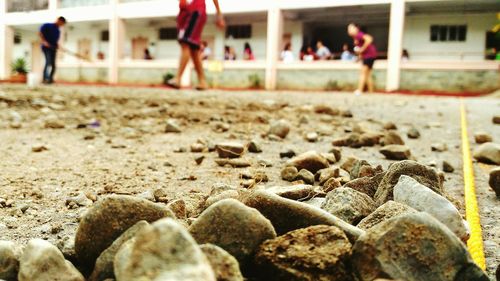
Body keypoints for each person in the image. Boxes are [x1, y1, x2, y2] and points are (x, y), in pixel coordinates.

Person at [167, 0, 225, 90]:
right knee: (194, 49)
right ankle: (202, 81)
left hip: (195, 11)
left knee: (185, 43)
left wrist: (219, 15)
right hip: (185, 13)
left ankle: (178, 78)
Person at [348, 23, 377, 95]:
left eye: (351, 28)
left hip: (369, 56)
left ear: (356, 29)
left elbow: (369, 39)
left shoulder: (358, 35)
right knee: (368, 74)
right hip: (371, 55)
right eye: (348, 29)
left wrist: (362, 49)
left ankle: (360, 90)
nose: (349, 30)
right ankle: (371, 91)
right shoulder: (356, 37)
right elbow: (360, 49)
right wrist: (359, 57)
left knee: (363, 73)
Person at [39, 16, 66, 84]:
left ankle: (50, 79)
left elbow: (55, 41)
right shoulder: (47, 25)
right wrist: (44, 41)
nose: (61, 25)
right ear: (59, 20)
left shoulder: (58, 31)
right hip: (46, 47)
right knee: (48, 62)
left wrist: (58, 46)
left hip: (53, 48)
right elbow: (40, 33)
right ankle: (45, 78)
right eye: (62, 23)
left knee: (53, 64)